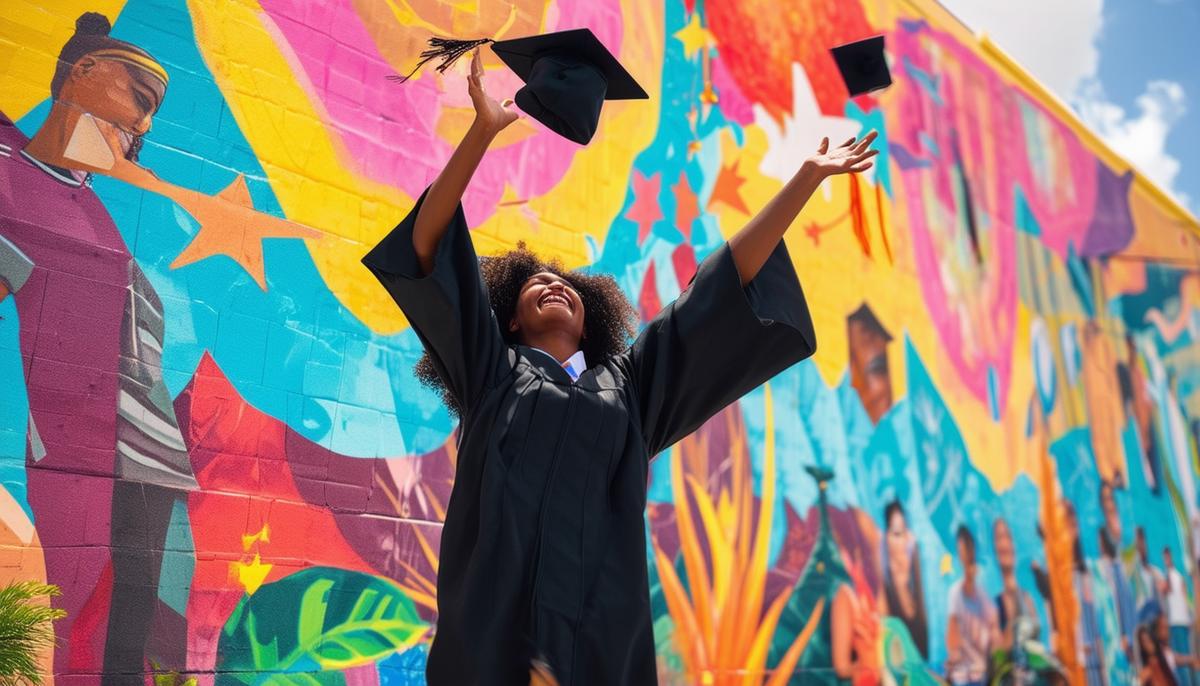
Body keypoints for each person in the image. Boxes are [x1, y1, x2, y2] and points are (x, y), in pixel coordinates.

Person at [361, 47, 877, 685]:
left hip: (602, 650)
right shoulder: (489, 373)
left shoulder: (631, 390)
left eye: (567, 284)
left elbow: (718, 288)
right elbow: (429, 243)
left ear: (591, 318)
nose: (554, 284)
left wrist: (804, 178)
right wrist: (481, 133)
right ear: (510, 318)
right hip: (494, 645)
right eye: (537, 283)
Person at [0, 13, 196, 681]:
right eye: (138, 99)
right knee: (82, 618)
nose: (142, 127)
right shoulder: (11, 181)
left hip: (149, 456)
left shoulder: (89, 208)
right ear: (82, 71)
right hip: (80, 447)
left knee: (131, 628)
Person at [946, 525, 998, 686]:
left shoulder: (983, 590)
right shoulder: (955, 592)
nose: (965, 555)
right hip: (964, 676)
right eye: (961, 550)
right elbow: (952, 637)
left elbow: (993, 629)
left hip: (981, 674)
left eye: (967, 548)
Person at [880, 500, 928, 658]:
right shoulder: (882, 594)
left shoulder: (918, 589)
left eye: (906, 532)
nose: (906, 541)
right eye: (898, 533)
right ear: (887, 539)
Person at [1163, 547, 1195, 686]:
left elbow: (1182, 595)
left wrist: (1190, 614)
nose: (1166, 560)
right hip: (1178, 621)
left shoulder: (1172, 575)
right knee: (1183, 659)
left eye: (1167, 557)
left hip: (1178, 622)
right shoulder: (1176, 576)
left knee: (1183, 660)